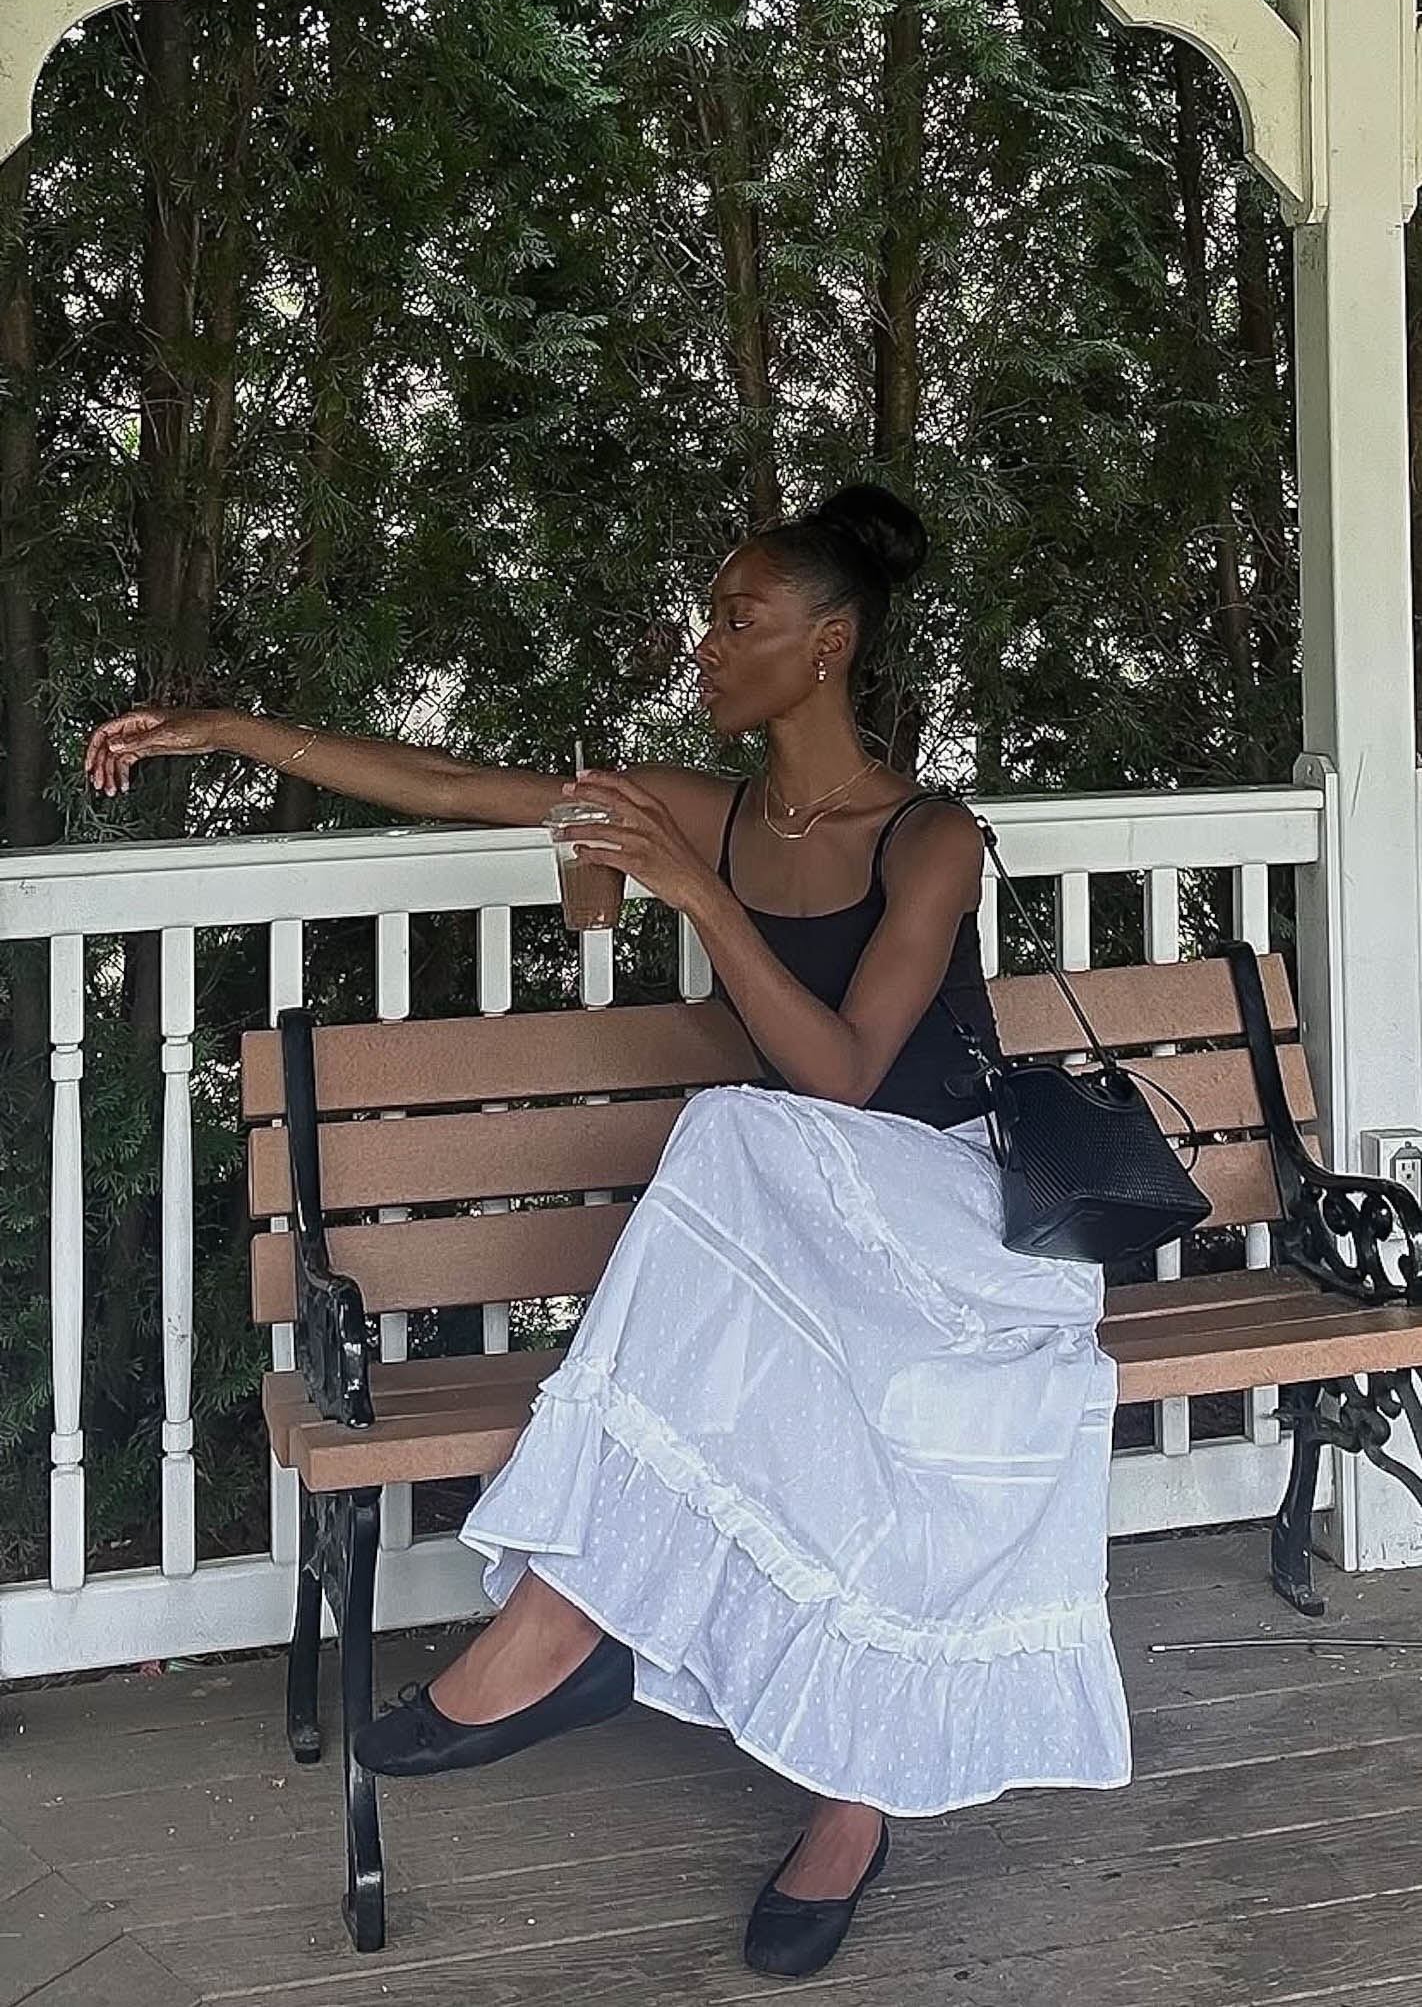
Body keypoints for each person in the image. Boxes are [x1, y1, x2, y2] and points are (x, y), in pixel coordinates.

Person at [85, 484, 1130, 1979]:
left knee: (732, 1131)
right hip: (805, 1236)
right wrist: (231, 732)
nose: (703, 645)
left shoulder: (930, 833)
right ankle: (620, 1653)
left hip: (958, 1216)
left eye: (738, 619)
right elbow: (456, 787)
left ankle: (595, 1645)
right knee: (754, 1197)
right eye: (708, 615)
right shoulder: (703, 802)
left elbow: (842, 1074)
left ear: (825, 646)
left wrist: (700, 895)